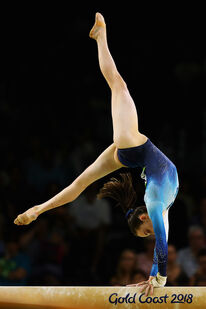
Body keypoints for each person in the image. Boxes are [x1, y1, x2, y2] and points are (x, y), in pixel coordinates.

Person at [14, 13, 179, 296]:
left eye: (145, 233)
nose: (151, 234)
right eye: (147, 235)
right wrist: (155, 276)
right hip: (130, 151)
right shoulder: (158, 206)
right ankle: (38, 209)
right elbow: (162, 242)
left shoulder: (155, 202)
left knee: (118, 84)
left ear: (142, 219)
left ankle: (101, 37)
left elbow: (162, 242)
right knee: (80, 182)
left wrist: (158, 279)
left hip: (130, 147)